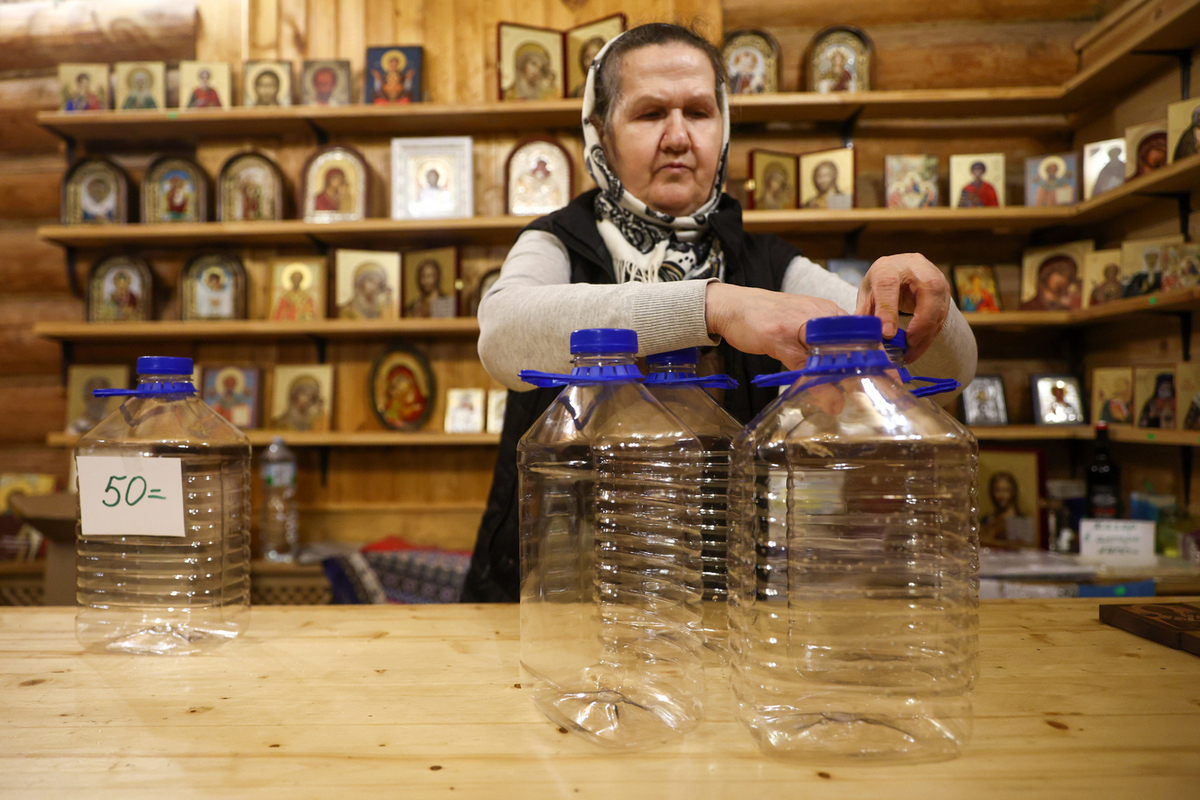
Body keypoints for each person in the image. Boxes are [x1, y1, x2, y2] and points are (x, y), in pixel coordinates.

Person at [462, 23, 976, 602]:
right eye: (650, 113)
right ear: (601, 133)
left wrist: (925, 306)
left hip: (725, 604)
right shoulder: (557, 240)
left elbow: (946, 374)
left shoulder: (767, 262)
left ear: (723, 126)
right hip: (553, 595)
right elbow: (502, 334)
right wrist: (715, 305)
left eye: (699, 112)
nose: (679, 137)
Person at [980, 471, 1027, 546]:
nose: (1002, 495)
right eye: (998, 490)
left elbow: (1024, 548)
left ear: (1013, 492)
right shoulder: (985, 520)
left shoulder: (1022, 521)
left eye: (1006, 490)